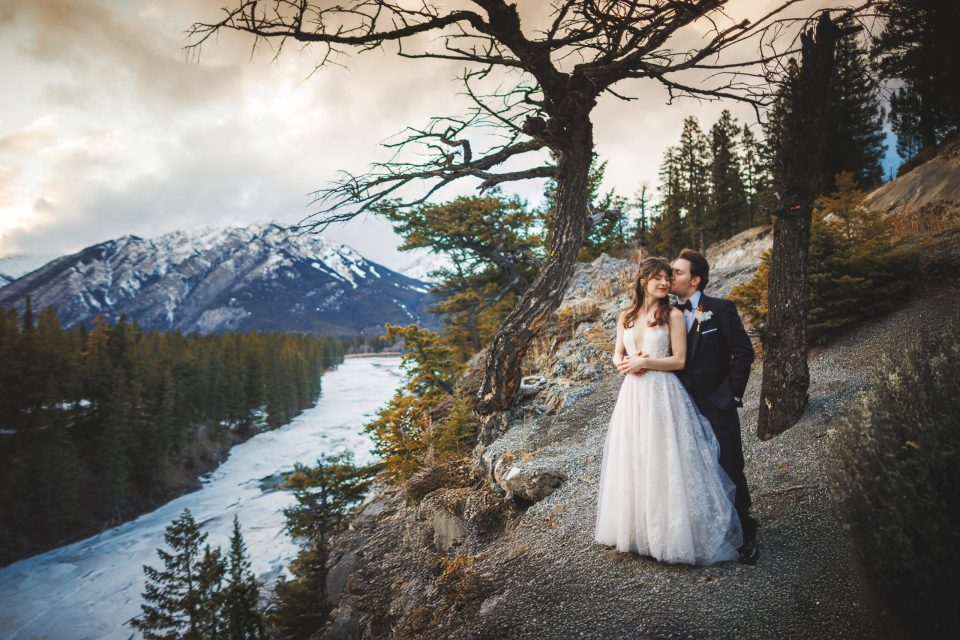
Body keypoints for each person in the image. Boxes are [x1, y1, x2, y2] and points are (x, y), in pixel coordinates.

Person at [593, 256, 743, 566]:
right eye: (658, 278)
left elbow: (679, 361)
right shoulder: (625, 315)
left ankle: (673, 535)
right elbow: (617, 353)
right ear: (642, 281)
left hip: (662, 392)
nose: (665, 282)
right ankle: (642, 532)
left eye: (668, 277)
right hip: (633, 395)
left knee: (666, 459)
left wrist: (644, 362)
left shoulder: (672, 315)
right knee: (637, 458)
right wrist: (621, 363)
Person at [670, 248, 760, 564]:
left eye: (678, 272)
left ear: (695, 280)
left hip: (718, 404)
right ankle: (706, 532)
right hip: (680, 407)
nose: (671, 276)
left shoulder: (720, 309)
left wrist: (732, 395)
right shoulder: (665, 315)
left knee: (730, 467)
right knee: (691, 470)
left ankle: (745, 534)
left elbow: (743, 354)